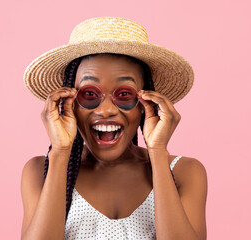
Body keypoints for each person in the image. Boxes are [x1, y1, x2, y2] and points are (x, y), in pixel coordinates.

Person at [21, 17, 207, 240]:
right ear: (68, 103)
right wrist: (60, 153)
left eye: (124, 94)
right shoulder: (40, 171)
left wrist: (157, 151)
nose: (106, 110)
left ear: (146, 104)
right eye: (89, 94)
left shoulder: (183, 172)